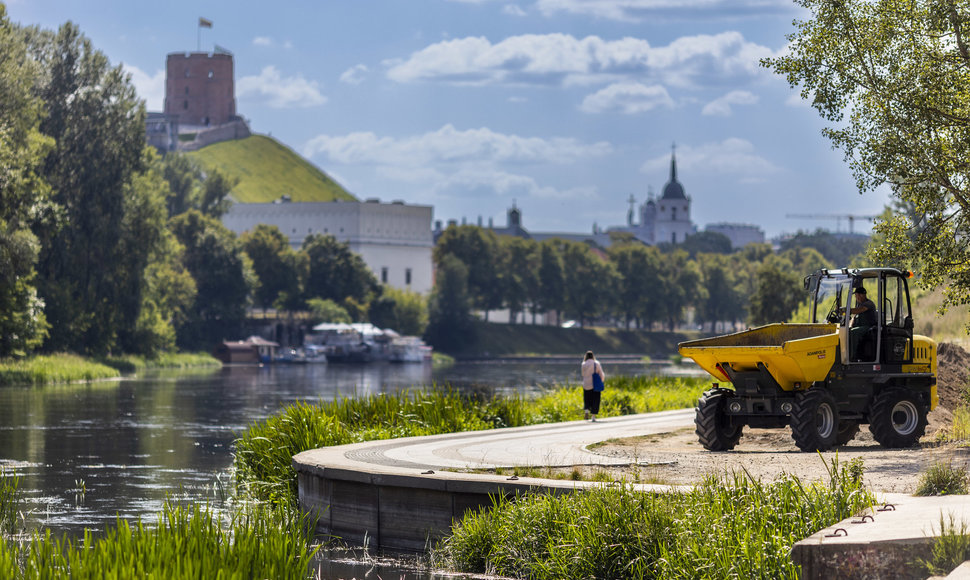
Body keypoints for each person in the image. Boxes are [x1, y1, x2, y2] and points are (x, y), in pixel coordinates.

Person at [848, 286, 877, 360]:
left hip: (868, 326)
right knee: (848, 330)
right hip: (861, 326)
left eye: (857, 296)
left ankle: (852, 357)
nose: (856, 298)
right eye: (855, 296)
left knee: (853, 332)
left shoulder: (868, 304)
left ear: (862, 295)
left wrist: (847, 310)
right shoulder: (859, 304)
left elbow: (859, 310)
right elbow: (854, 317)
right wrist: (850, 325)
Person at [581, 350, 605, 422]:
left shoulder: (583, 364)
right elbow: (601, 374)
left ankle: (586, 412)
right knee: (595, 400)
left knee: (587, 398)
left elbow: (583, 374)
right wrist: (601, 381)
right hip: (595, 385)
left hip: (586, 384)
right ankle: (593, 417)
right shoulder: (596, 363)